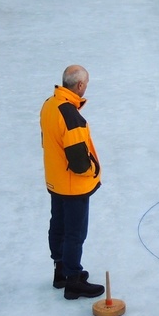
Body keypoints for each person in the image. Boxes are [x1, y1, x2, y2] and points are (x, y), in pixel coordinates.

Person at [41, 65, 105, 300]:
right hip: (72, 186)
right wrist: (93, 170)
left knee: (58, 225)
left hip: (55, 180)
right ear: (79, 85)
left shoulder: (50, 104)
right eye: (85, 84)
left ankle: (61, 272)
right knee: (74, 233)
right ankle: (74, 282)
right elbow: (79, 163)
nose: (86, 87)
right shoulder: (71, 116)